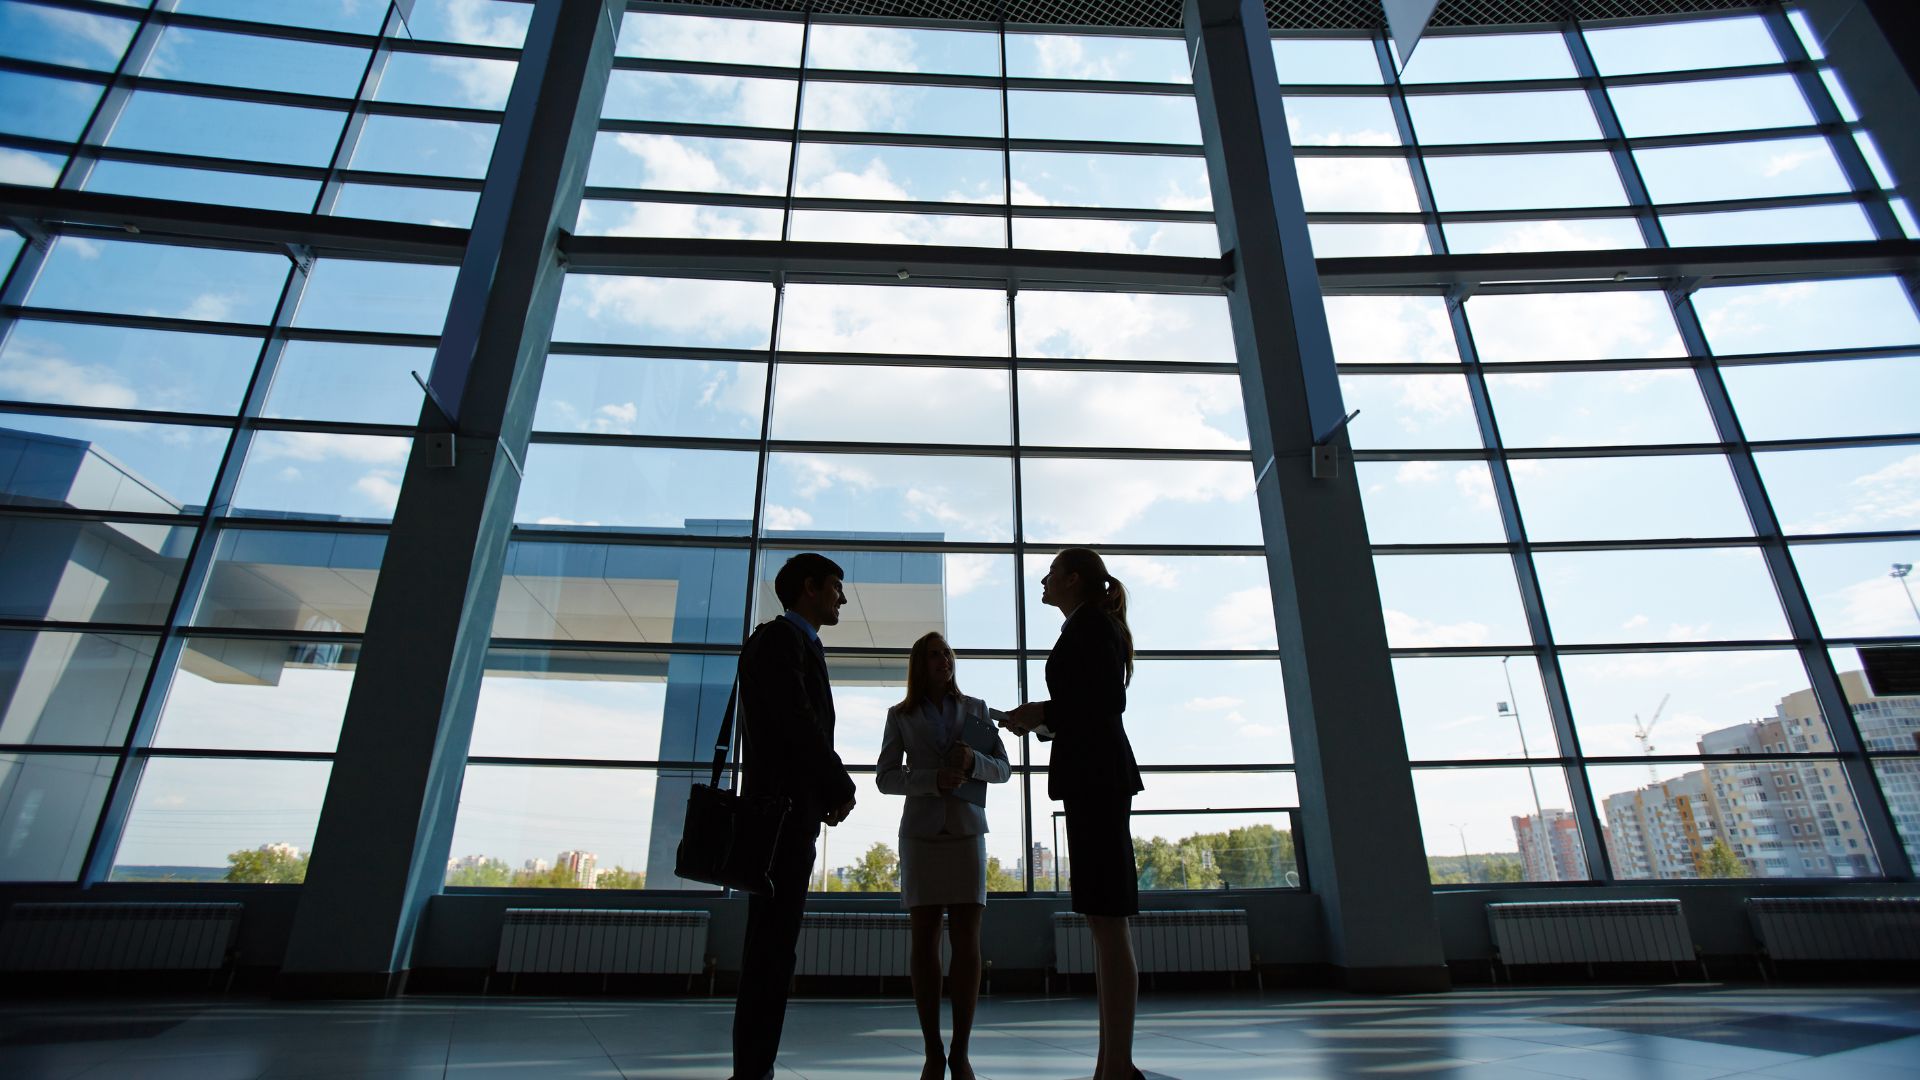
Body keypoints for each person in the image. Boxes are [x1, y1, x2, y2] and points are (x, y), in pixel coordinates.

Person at [1001, 547, 1144, 1080]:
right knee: (1104, 922)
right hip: (1095, 779)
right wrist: (1040, 721)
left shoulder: (1091, 629)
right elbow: (1089, 705)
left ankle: (1117, 1065)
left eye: (1052, 572)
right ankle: (1112, 1063)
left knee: (1107, 922)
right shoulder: (1086, 627)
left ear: (1073, 579)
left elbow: (1106, 701)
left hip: (1098, 780)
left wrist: (1042, 712)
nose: (1043, 579)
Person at [730, 553, 858, 1080]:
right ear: (810, 588)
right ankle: (754, 1068)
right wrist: (838, 783)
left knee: (772, 943)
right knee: (773, 946)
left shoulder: (783, 643)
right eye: (835, 588)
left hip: (780, 811)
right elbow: (799, 724)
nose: (842, 599)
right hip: (783, 816)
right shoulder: (784, 641)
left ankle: (755, 1066)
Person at [877, 632, 1011, 1080]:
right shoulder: (900, 715)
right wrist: (932, 780)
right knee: (924, 941)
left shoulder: (977, 708)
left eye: (948, 654)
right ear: (919, 663)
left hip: (967, 832)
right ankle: (933, 1050)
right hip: (921, 835)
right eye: (934, 655)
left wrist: (973, 761)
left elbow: (1005, 768)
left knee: (968, 943)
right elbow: (885, 778)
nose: (944, 661)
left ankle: (961, 1050)